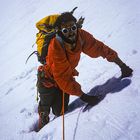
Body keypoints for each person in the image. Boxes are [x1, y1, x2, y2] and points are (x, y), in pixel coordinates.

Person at [37, 12, 133, 130]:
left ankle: (50, 109)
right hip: (48, 79)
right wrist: (84, 97)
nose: (71, 33)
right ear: (60, 31)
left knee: (59, 111)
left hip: (64, 77)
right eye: (65, 31)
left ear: (76, 26)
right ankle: (43, 115)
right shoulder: (56, 46)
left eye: (73, 28)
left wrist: (121, 65)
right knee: (46, 105)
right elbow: (61, 76)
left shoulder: (81, 36)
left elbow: (99, 48)